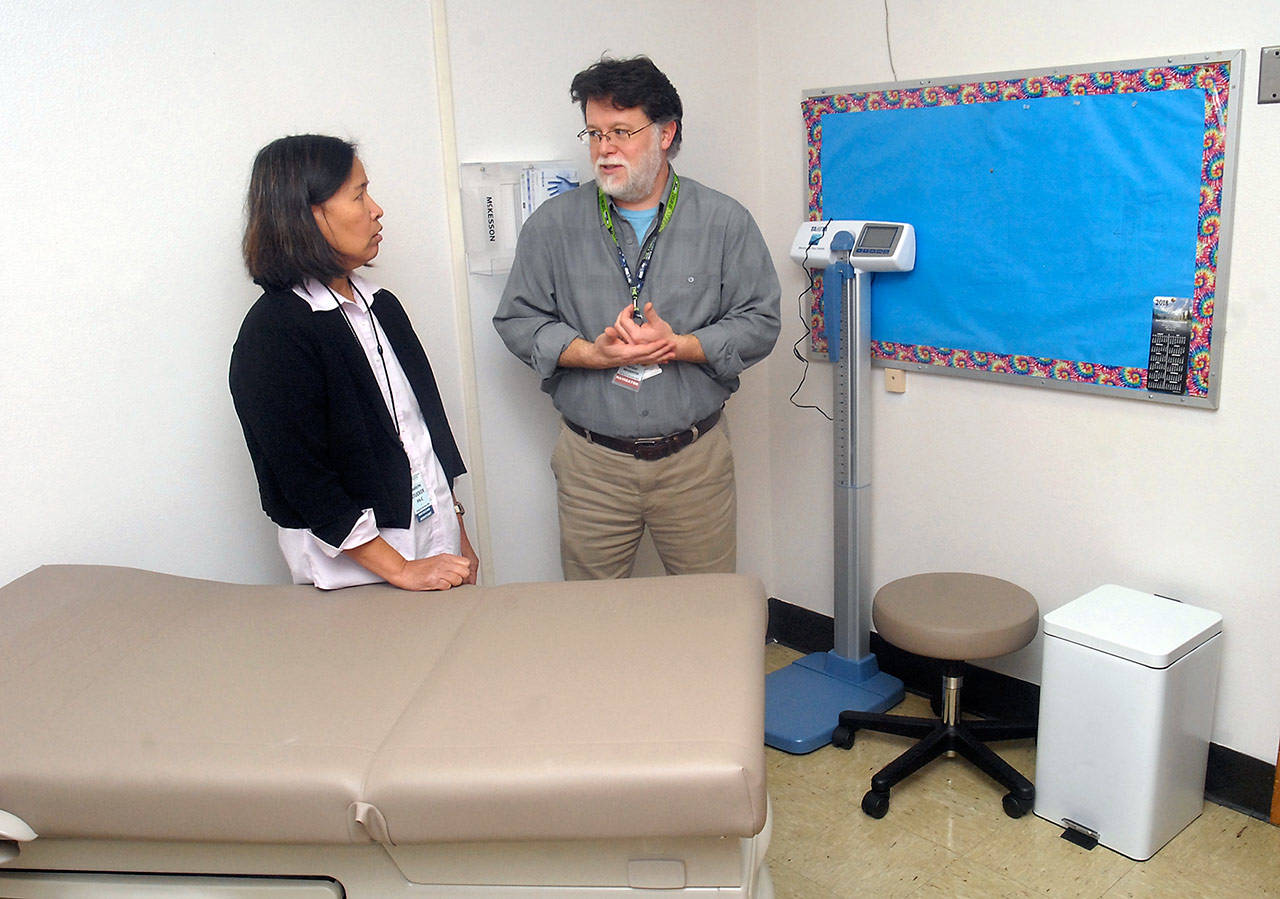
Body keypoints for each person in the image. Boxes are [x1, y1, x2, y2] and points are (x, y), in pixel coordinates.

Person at [493, 56, 780, 580]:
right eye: (595, 133)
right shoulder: (552, 225)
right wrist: (589, 354)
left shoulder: (724, 221)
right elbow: (517, 319)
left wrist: (684, 345)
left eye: (622, 132)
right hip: (592, 466)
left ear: (666, 132)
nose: (605, 149)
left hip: (694, 462)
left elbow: (760, 321)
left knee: (706, 614)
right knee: (592, 620)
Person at [230, 134, 477, 591]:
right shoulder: (275, 331)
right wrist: (400, 569)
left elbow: (424, 432)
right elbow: (302, 479)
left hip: (433, 543)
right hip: (354, 572)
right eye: (359, 195)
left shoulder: (380, 304)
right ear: (307, 214)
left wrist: (457, 536)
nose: (376, 209)